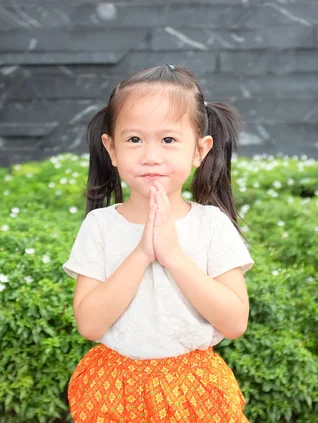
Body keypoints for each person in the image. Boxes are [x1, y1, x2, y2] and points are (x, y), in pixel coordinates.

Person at [62, 63, 254, 422]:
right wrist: (141, 253)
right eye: (134, 139)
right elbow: (89, 324)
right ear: (111, 148)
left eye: (168, 140)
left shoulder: (211, 225)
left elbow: (234, 323)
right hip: (113, 391)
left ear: (200, 150)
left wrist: (174, 256)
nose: (151, 155)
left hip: (195, 391)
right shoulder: (100, 226)